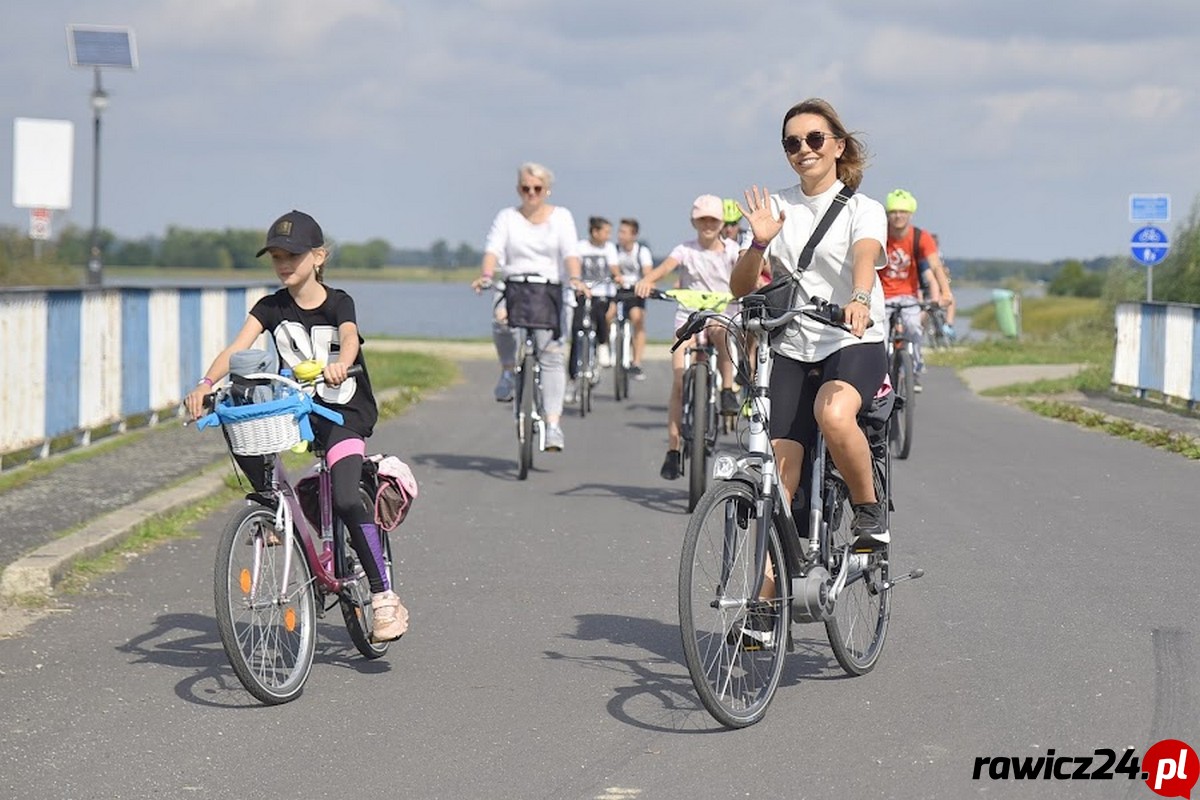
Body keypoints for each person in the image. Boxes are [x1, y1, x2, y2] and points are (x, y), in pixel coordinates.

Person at [184, 210, 408, 641]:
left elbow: (351, 335)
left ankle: (384, 598)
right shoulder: (270, 307)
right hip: (300, 413)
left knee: (345, 497)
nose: (284, 264)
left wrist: (342, 364)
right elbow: (237, 348)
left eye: (293, 255)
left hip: (344, 414)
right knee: (241, 423)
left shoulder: (339, 301)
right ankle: (272, 511)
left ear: (318, 257)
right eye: (276, 257)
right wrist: (205, 384)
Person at [730, 97, 890, 551]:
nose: (804, 149)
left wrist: (859, 299)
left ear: (838, 146)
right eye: (792, 142)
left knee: (833, 413)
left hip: (851, 336)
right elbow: (742, 286)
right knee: (779, 478)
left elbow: (864, 255)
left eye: (815, 139)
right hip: (794, 342)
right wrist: (759, 245)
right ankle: (762, 612)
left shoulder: (864, 208)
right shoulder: (777, 207)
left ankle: (869, 510)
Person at [471, 162, 583, 451]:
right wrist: (486, 276)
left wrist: (576, 278)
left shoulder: (562, 217)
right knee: (501, 321)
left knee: (552, 355)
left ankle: (553, 424)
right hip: (515, 286)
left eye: (537, 188)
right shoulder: (507, 217)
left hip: (550, 289)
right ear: (518, 189)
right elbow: (493, 250)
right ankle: (508, 370)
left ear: (546, 190)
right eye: (525, 188)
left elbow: (570, 253)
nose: (531, 194)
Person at [635, 194, 740, 481]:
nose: (708, 225)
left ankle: (728, 390)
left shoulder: (732, 249)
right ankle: (673, 449)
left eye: (713, 220)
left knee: (720, 332)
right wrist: (648, 281)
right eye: (702, 220)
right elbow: (665, 267)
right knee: (679, 381)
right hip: (689, 317)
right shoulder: (686, 249)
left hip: (720, 314)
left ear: (721, 223)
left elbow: (750, 270)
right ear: (694, 222)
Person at [881, 189, 948, 391]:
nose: (898, 216)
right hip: (881, 295)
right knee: (879, 337)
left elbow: (936, 266)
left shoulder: (920, 237)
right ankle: (880, 377)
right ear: (887, 214)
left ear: (910, 214)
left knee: (914, 327)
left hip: (908, 296)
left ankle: (915, 369)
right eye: (893, 211)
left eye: (903, 212)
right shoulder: (879, 234)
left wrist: (946, 293)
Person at [568, 216, 618, 393]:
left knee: (602, 319)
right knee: (577, 330)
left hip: (603, 292)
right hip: (583, 292)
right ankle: (574, 375)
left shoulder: (610, 248)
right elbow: (573, 265)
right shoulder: (580, 247)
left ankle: (602, 344)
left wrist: (617, 275)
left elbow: (613, 267)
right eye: (605, 232)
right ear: (595, 232)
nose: (608, 236)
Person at [613, 218, 654, 379]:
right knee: (608, 313)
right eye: (619, 231)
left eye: (624, 232)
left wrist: (647, 283)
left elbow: (648, 272)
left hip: (636, 291)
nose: (620, 235)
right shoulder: (614, 250)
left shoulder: (641, 251)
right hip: (617, 290)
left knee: (637, 318)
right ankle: (608, 347)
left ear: (634, 235)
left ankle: (636, 362)